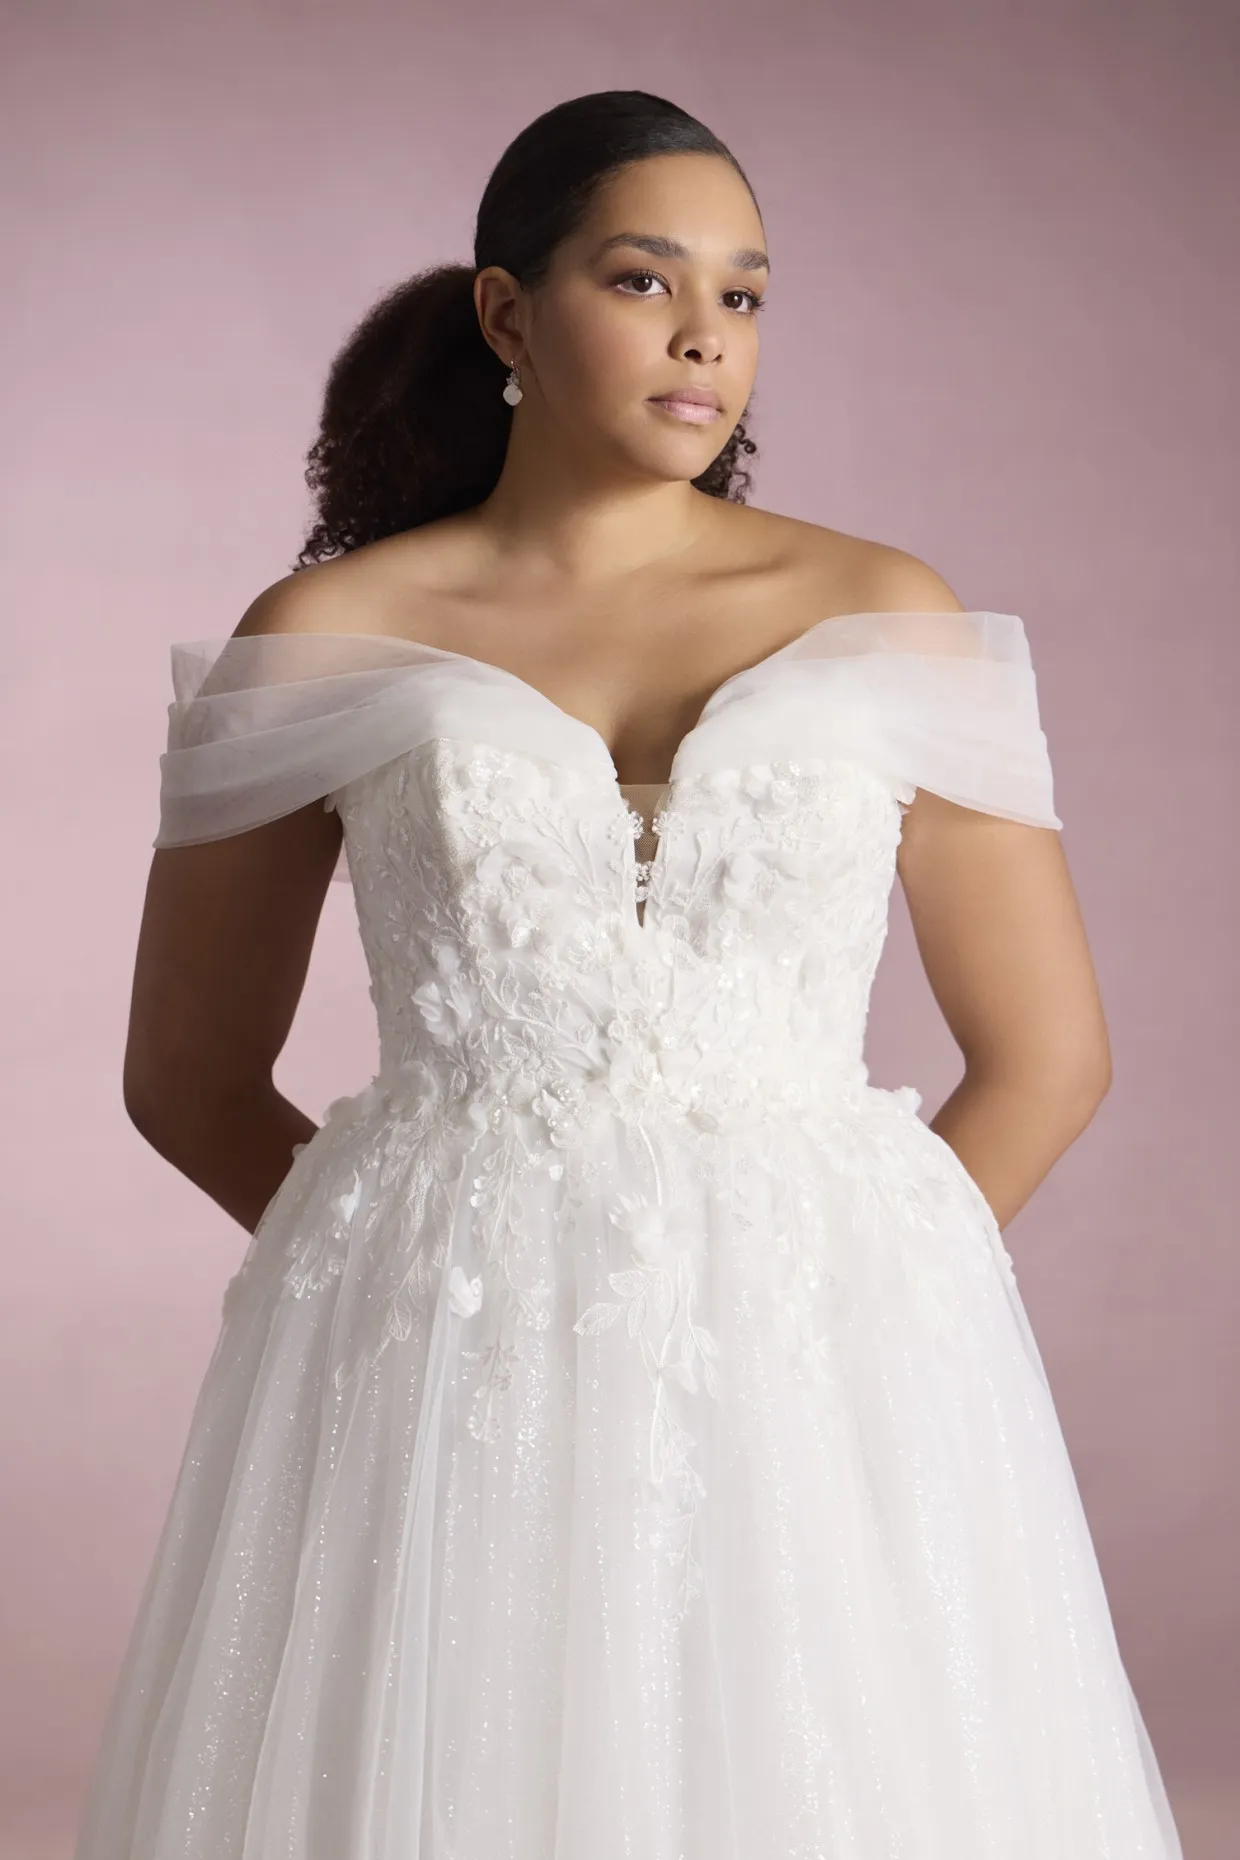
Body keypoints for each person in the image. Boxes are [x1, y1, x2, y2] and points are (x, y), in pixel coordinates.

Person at [75, 88, 1183, 1859]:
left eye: (744, 295)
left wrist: (853, 1303)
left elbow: (1049, 1058)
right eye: (645, 279)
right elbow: (185, 1076)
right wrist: (408, 1280)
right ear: (508, 314)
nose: (704, 336)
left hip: (827, 1365)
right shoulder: (328, 638)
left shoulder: (888, 614)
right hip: (450, 1376)